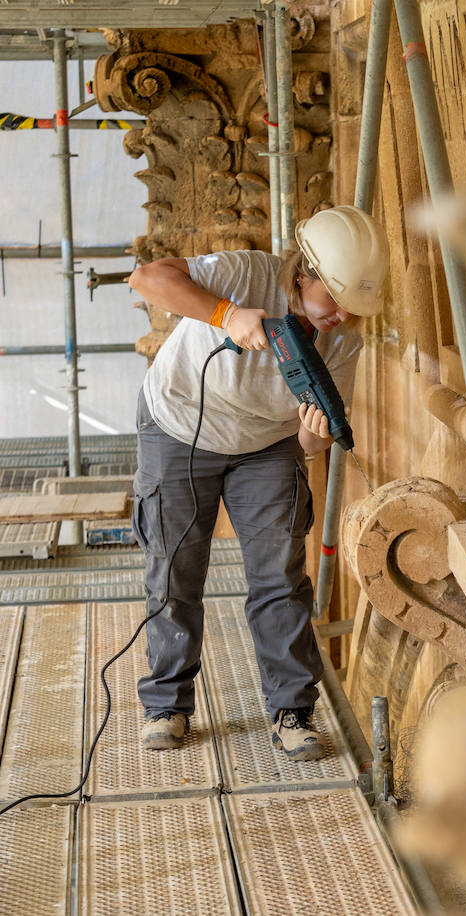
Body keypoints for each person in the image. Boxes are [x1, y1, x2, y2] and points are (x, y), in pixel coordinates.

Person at [126, 205, 388, 760]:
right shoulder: (245, 272)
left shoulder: (343, 341)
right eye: (334, 298)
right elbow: (147, 278)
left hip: (268, 445)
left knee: (280, 575)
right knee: (175, 568)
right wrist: (225, 314)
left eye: (353, 305)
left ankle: (293, 710)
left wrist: (316, 437)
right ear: (303, 273)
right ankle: (167, 704)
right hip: (180, 424)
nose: (342, 314)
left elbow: (308, 442)